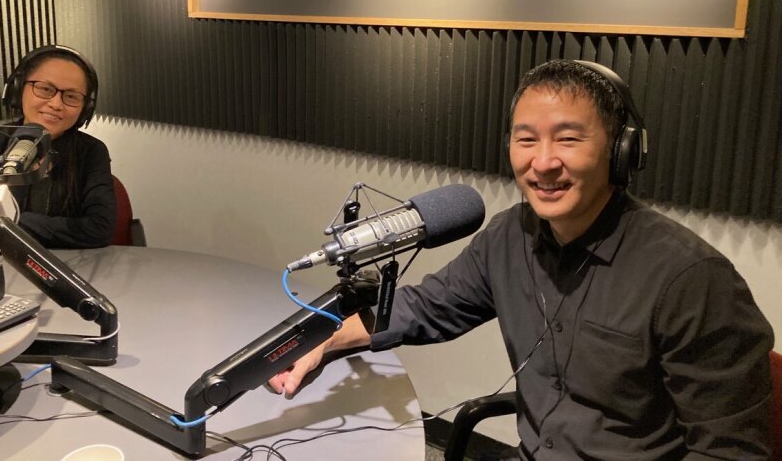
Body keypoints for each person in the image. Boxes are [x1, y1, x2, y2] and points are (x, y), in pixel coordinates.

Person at [269, 59, 774, 459]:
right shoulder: (510, 236)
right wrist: (320, 343)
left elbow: (730, 451)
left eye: (569, 138)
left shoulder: (691, 280)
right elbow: (425, 308)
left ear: (620, 153)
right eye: (526, 139)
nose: (543, 162)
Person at [0, 45, 116, 258]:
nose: (56, 104)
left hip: (62, 268)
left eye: (71, 97)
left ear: (85, 109)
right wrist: (51, 229)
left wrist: (13, 222)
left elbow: (98, 230)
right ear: (17, 89)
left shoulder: (91, 151)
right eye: (45, 89)